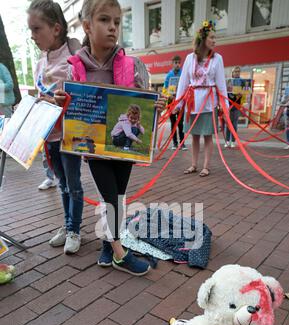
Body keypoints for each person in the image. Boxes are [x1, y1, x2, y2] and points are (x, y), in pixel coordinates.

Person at [54, 0, 166, 276]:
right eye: (105, 20)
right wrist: (61, 103)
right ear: (88, 26)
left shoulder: (132, 64)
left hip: (124, 151)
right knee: (112, 197)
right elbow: (67, 111)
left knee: (116, 197)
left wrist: (155, 107)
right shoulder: (75, 69)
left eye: (117, 21)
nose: (113, 27)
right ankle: (119, 253)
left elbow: (143, 106)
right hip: (95, 148)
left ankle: (108, 243)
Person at [27, 0, 83, 254]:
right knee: (61, 183)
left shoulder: (75, 60)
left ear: (56, 29)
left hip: (70, 135)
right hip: (50, 135)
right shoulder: (40, 63)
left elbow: (83, 97)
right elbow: (42, 95)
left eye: (37, 29)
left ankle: (75, 230)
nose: (33, 36)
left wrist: (57, 100)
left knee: (73, 183)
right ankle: (67, 223)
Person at [174, 20, 228, 177]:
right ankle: (193, 164)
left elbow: (221, 85)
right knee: (195, 136)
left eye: (215, 37)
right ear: (203, 39)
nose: (214, 41)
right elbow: (183, 83)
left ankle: (206, 166)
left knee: (208, 135)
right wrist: (178, 103)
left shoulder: (217, 59)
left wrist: (223, 106)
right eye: (212, 37)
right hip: (192, 104)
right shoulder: (190, 58)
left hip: (209, 104)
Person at [162, 56, 187, 151]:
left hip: (180, 102)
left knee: (181, 123)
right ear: (172, 63)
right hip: (171, 102)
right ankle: (174, 143)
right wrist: (169, 95)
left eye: (178, 62)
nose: (177, 64)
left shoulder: (183, 74)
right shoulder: (169, 75)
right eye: (175, 62)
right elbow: (164, 89)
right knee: (173, 123)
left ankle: (182, 143)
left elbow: (186, 87)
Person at [225, 66, 242, 148]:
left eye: (238, 71)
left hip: (237, 105)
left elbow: (245, 93)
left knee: (234, 124)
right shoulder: (228, 81)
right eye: (235, 71)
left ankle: (233, 141)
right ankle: (227, 140)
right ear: (232, 73)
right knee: (228, 124)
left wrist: (241, 95)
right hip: (228, 105)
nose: (237, 73)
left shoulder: (242, 82)